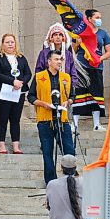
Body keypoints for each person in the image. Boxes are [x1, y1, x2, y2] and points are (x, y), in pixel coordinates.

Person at [27, 50, 76, 184]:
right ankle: (50, 181)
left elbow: (72, 96)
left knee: (69, 149)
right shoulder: (39, 77)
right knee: (47, 152)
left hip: (62, 118)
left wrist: (68, 101)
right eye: (56, 59)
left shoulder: (66, 77)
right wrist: (43, 104)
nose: (59, 62)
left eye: (60, 59)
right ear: (49, 62)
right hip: (45, 119)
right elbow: (30, 97)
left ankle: (71, 178)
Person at [0, 34, 32, 154]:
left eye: (12, 42)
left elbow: (27, 73)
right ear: (2, 44)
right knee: (3, 117)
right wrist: (12, 81)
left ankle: (15, 146)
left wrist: (21, 82)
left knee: (15, 119)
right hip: (3, 91)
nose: (10, 44)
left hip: (18, 92)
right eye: (7, 42)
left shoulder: (21, 58)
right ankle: (2, 144)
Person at [72, 9, 110, 132]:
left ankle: (96, 124)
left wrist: (99, 58)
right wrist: (77, 43)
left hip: (96, 67)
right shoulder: (81, 32)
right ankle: (75, 124)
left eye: (100, 17)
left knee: (97, 94)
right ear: (89, 19)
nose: (99, 20)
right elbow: (73, 49)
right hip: (82, 66)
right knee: (79, 93)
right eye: (97, 17)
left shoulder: (103, 34)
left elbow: (109, 52)